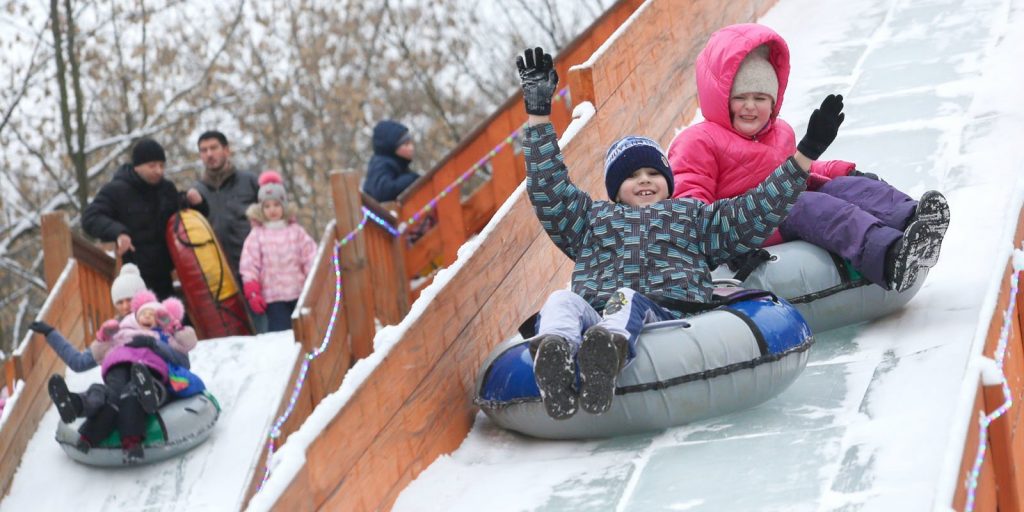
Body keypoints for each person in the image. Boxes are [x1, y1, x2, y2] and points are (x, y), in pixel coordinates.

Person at [515, 47, 841, 419]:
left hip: (666, 312)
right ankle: (555, 358)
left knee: (627, 298)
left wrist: (805, 156)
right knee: (560, 300)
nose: (644, 182)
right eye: (631, 176)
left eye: (653, 174)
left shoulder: (693, 217)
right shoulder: (590, 220)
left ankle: (606, 355)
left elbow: (755, 210)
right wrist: (539, 115)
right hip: (597, 310)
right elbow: (549, 189)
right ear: (614, 188)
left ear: (669, 183)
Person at [667, 23, 950, 292]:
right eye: (740, 98)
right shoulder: (698, 141)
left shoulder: (779, 132)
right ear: (721, 97)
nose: (750, 107)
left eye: (761, 98)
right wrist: (732, 243)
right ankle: (889, 257)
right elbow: (689, 210)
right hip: (747, 227)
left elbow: (801, 166)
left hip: (785, 207)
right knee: (805, 205)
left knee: (841, 188)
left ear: (774, 100)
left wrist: (842, 171)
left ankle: (916, 221)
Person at [29, 290, 196, 463]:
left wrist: (159, 339)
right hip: (117, 366)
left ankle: (145, 400)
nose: (147, 316)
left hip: (147, 369)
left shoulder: (162, 337)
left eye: (153, 314)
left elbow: (185, 353)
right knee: (105, 393)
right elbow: (78, 361)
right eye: (143, 313)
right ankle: (74, 403)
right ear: (135, 316)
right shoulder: (119, 333)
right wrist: (51, 333)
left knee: (132, 392)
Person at [82, 138, 209, 299]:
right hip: (135, 278)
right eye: (152, 166)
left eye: (162, 166)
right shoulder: (116, 190)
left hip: (164, 276)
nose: (158, 171)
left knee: (171, 321)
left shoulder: (166, 189)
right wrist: (119, 233)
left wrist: (198, 203)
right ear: (137, 166)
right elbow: (90, 218)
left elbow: (186, 216)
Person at [239, 171, 317, 332]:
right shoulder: (257, 235)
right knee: (282, 335)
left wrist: (314, 281)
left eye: (276, 205)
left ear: (284, 206)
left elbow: (310, 257)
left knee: (305, 333)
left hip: (299, 294)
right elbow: (249, 265)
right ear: (261, 209)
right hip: (273, 298)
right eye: (267, 206)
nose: (272, 210)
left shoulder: (296, 231)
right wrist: (252, 290)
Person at [192, 130, 260, 284]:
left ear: (226, 150)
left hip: (256, 269)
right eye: (204, 150)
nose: (209, 154)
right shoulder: (197, 192)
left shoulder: (249, 181)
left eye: (214, 148)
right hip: (220, 276)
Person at [363, 120, 420, 203]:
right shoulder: (381, 164)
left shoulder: (400, 164)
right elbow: (383, 192)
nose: (411, 148)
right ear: (392, 147)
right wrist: (412, 179)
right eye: (406, 144)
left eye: (411, 143)